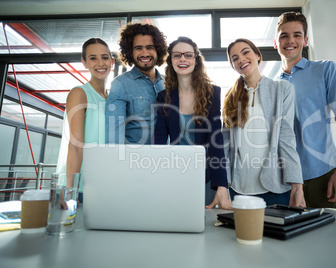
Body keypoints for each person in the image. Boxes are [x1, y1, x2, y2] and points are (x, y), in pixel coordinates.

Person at [274, 12, 336, 208]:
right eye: (284, 35)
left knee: (327, 237)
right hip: (282, 180)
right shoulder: (272, 85)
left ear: (305, 40)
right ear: (275, 42)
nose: (290, 41)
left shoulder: (325, 69)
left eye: (297, 35)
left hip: (321, 176)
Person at [223, 38, 305, 207]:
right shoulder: (230, 98)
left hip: (274, 187)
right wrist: (223, 185)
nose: (241, 59)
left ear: (257, 55)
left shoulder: (282, 89)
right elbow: (225, 147)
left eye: (245, 52)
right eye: (235, 58)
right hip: (239, 188)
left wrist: (297, 185)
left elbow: (287, 138)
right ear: (233, 66)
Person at [153, 36, 232, 209]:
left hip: (205, 175)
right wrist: (155, 179)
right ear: (171, 61)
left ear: (196, 60)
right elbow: (158, 141)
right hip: (174, 174)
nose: (182, 59)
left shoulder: (212, 93)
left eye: (188, 55)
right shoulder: (163, 97)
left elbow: (216, 140)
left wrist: (222, 185)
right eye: (177, 55)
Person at [56, 38, 113, 203]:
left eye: (104, 57)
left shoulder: (112, 99)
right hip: (81, 188)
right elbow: (75, 145)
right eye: (93, 58)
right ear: (84, 63)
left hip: (105, 185)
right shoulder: (79, 93)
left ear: (112, 61)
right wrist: (69, 190)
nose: (100, 63)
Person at [106, 23, 168, 144]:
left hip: (165, 158)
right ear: (130, 52)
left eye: (150, 47)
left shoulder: (168, 83)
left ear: (158, 50)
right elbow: (114, 137)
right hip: (133, 159)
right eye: (138, 48)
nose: (145, 53)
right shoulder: (121, 84)